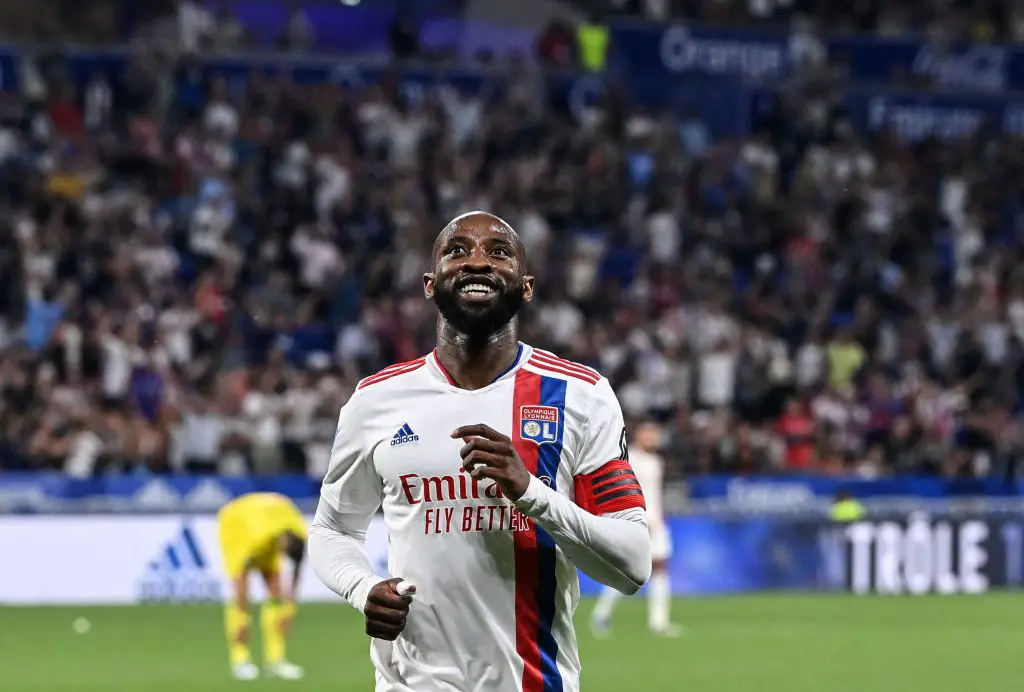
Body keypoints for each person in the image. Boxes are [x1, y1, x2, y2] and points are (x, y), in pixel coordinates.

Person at [309, 211, 652, 692]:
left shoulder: (581, 394)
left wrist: (530, 493)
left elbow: (634, 563)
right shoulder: (374, 401)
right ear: (430, 284)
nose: (476, 262)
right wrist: (362, 588)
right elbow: (333, 529)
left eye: (498, 252)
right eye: (457, 250)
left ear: (525, 287)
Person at [591, 420, 682, 637]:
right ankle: (601, 614)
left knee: (660, 568)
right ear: (639, 435)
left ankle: (659, 622)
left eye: (654, 433)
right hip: (636, 521)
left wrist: (658, 517)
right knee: (627, 571)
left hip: (656, 522)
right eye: (648, 433)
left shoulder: (656, 461)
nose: (652, 437)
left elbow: (655, 495)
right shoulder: (628, 458)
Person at [217, 491, 308, 681]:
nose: (282, 556)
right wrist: (241, 614)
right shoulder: (257, 537)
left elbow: (297, 566)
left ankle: (275, 660)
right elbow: (241, 575)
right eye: (283, 552)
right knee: (242, 599)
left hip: (265, 521)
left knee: (276, 593)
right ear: (284, 540)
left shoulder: (300, 532)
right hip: (236, 524)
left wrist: (289, 609)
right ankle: (240, 659)